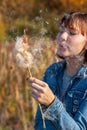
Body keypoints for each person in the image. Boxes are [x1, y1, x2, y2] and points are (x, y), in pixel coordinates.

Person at [27, 12, 87, 130]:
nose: (62, 37)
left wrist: (51, 103)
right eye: (61, 31)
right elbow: (41, 122)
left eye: (72, 33)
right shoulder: (52, 71)